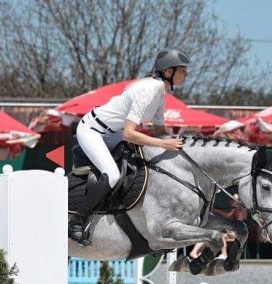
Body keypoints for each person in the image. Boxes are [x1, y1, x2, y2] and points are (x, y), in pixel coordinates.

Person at [69, 47, 191, 243]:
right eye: (183, 70)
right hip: (92, 130)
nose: (186, 74)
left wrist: (180, 142)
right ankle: (76, 222)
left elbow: (160, 132)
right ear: (169, 72)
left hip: (113, 132)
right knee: (112, 175)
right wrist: (164, 143)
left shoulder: (160, 93)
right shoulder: (149, 90)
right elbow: (129, 133)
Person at [190, 195, 248, 260]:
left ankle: (224, 254)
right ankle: (197, 252)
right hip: (232, 231)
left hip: (237, 233)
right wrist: (217, 212)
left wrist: (218, 212)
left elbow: (237, 223)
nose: (230, 201)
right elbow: (229, 217)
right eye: (231, 200)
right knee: (210, 233)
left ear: (238, 201)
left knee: (220, 235)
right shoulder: (235, 209)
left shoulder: (240, 210)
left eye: (232, 200)